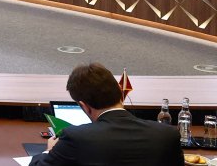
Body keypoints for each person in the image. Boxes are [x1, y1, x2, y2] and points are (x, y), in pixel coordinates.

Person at [29, 62, 181, 165]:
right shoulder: (168, 135)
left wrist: (49, 151)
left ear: (84, 106)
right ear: (120, 94)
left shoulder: (75, 138)